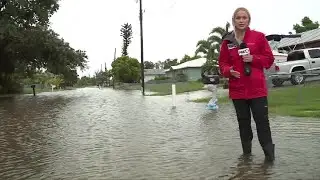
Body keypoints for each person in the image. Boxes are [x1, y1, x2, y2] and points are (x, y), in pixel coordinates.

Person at [218, 7, 275, 162]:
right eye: (238, 18)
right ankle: (247, 159)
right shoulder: (227, 41)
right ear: (233, 20)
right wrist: (229, 71)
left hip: (257, 90)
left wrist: (253, 59)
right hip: (238, 91)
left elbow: (269, 59)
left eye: (244, 17)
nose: (241, 20)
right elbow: (222, 64)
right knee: (243, 124)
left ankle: (269, 160)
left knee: (262, 123)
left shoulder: (258, 37)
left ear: (249, 20)